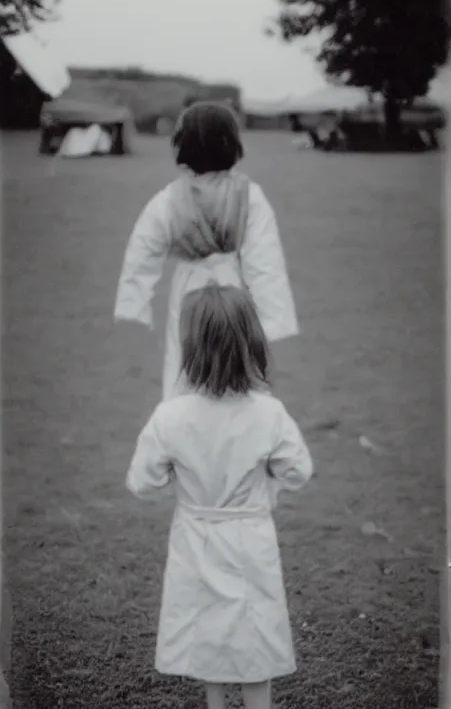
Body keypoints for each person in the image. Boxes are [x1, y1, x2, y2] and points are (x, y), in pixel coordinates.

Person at [126, 284, 313, 709]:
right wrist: (271, 472)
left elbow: (142, 481)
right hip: (250, 538)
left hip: (196, 536)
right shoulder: (268, 413)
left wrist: (173, 471)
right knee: (255, 634)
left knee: (208, 631)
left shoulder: (170, 417)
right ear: (251, 342)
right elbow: (298, 471)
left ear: (189, 346)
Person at [114, 102, 299, 400]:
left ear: (182, 145)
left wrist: (133, 304)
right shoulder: (249, 196)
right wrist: (274, 318)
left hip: (188, 291)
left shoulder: (168, 199)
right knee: (239, 357)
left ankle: (182, 421)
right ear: (233, 144)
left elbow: (142, 252)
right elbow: (265, 260)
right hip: (234, 291)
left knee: (183, 361)